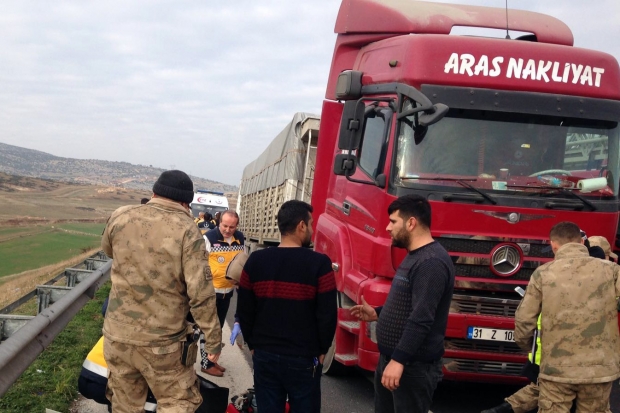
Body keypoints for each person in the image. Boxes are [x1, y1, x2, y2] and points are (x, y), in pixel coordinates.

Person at [101, 169, 222, 413]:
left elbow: (108, 250)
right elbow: (201, 294)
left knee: (124, 405)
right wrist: (213, 342)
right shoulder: (188, 230)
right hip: (163, 344)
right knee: (178, 402)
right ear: (186, 203)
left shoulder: (121, 215)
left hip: (118, 337)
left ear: (154, 193)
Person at [350, 194, 455, 413]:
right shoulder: (415, 256)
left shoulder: (431, 263)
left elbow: (422, 317)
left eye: (393, 221)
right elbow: (410, 305)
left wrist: (399, 360)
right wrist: (378, 313)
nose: (388, 227)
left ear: (411, 223)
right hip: (395, 362)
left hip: (412, 368)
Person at [237, 200, 337, 413]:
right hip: (303, 357)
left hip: (264, 355)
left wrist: (253, 344)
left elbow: (245, 308)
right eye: (311, 224)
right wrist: (322, 349)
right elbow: (327, 315)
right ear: (301, 226)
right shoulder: (320, 264)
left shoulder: (256, 260)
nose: (312, 230)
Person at [515, 221, 620, 413]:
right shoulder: (611, 271)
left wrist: (527, 346)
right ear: (582, 242)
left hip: (556, 368)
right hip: (599, 369)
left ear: (553, 245)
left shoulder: (543, 274)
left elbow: (524, 319)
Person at [201, 210, 245, 376]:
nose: (227, 230)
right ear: (219, 222)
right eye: (224, 226)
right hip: (210, 292)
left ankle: (212, 360)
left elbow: (242, 261)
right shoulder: (209, 238)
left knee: (218, 328)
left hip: (227, 292)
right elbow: (199, 263)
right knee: (209, 329)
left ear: (237, 226)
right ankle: (206, 364)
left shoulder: (240, 238)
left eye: (231, 227)